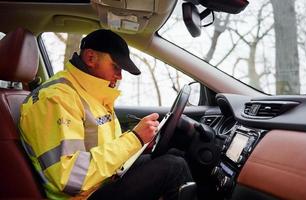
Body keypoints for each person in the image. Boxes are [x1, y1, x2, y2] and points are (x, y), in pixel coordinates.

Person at [20, 29, 194, 200]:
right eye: (116, 67)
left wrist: (139, 144)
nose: (120, 76)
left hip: (102, 182)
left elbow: (102, 148)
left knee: (174, 154)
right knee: (174, 168)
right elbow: (71, 178)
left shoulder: (92, 93)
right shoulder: (56, 99)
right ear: (90, 57)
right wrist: (134, 139)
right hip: (82, 195)